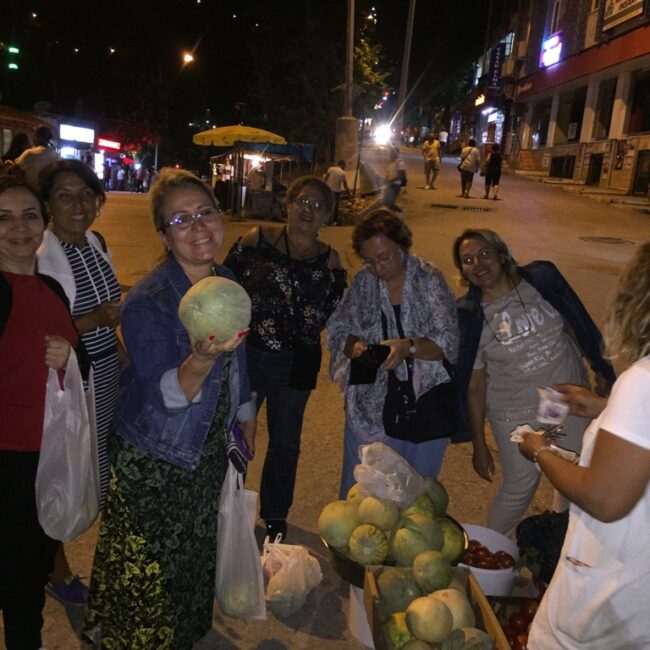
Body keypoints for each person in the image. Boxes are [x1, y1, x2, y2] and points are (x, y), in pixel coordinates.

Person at [82, 168, 256, 648]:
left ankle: (181, 634)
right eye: (181, 220)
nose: (198, 227)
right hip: (155, 458)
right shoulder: (147, 301)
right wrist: (200, 358)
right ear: (163, 235)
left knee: (193, 554)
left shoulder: (226, 280)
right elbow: (166, 394)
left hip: (207, 451)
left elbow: (241, 363)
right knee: (147, 566)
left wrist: (246, 417)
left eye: (205, 213)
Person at [520, 242, 650, 649]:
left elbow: (604, 498)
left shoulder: (642, 381)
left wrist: (539, 451)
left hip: (609, 597)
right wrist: (604, 408)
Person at [453, 228, 616, 536]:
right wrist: (478, 444)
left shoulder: (540, 282)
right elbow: (474, 385)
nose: (478, 263)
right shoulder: (470, 316)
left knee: (575, 471)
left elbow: (573, 324)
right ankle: (489, 553)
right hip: (515, 413)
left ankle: (561, 540)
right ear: (463, 271)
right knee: (518, 487)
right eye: (468, 260)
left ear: (502, 254)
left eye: (485, 253)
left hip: (564, 399)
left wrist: (598, 366)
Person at [224, 176, 346, 542]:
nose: (308, 210)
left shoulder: (331, 260)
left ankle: (275, 514)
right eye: (302, 201)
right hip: (249, 354)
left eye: (318, 206)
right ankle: (227, 505)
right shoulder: (257, 238)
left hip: (296, 363)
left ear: (327, 216)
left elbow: (337, 310)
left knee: (286, 442)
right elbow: (225, 284)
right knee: (234, 432)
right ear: (287, 204)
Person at [0, 174, 85, 650]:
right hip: (6, 458)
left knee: (30, 575)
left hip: (49, 454)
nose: (19, 228)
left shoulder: (51, 287)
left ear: (44, 223)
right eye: (4, 218)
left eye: (29, 216)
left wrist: (69, 356)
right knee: (12, 576)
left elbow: (79, 354)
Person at [36, 159, 122, 605]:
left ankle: (107, 562)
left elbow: (111, 311)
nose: (77, 204)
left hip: (106, 374)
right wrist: (94, 320)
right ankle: (56, 569)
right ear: (48, 204)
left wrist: (125, 356)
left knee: (101, 468)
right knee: (63, 471)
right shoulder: (39, 256)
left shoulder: (97, 242)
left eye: (85, 194)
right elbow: (39, 334)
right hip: (68, 381)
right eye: (64, 195)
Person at [327, 209, 459, 497]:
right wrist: (355, 346)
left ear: (402, 246)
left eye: (385, 257)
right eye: (369, 261)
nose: (378, 268)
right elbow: (339, 327)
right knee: (363, 493)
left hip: (422, 400)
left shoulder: (428, 280)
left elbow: (448, 342)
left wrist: (406, 347)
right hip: (368, 400)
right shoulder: (364, 282)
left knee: (413, 493)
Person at [324, 160, 350, 225]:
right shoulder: (343, 173)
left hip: (328, 190)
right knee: (335, 207)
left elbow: (326, 178)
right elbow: (345, 185)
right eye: (344, 166)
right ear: (342, 165)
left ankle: (325, 221)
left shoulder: (331, 169)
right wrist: (349, 193)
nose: (344, 167)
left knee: (328, 205)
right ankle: (333, 222)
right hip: (336, 192)